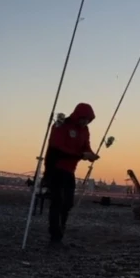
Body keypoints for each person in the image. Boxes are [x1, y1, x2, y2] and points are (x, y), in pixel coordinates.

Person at [42, 103, 99, 247]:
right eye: (83, 118)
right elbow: (57, 148)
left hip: (69, 172)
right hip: (55, 168)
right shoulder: (62, 125)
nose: (85, 121)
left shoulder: (85, 130)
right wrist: (81, 155)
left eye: (88, 119)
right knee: (57, 202)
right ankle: (55, 235)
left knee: (67, 203)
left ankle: (61, 229)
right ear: (77, 115)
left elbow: (86, 146)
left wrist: (91, 154)